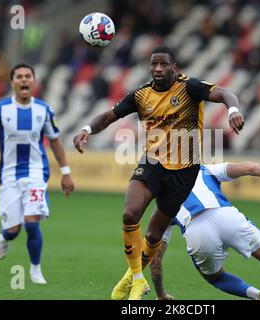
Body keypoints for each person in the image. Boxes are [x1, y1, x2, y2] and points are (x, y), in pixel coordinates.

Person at [73, 46, 245, 300]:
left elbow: (226, 94)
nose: (157, 69)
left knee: (154, 235)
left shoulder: (190, 88)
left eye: (163, 64)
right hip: (152, 164)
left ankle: (131, 278)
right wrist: (87, 129)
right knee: (130, 213)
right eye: (154, 64)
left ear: (174, 68)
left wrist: (233, 110)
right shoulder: (141, 95)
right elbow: (110, 116)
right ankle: (139, 279)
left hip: (184, 171)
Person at [149, 161, 260, 300]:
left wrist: (161, 294)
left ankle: (257, 295)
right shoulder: (204, 169)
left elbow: (155, 260)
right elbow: (247, 167)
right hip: (224, 215)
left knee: (216, 278)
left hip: (197, 231)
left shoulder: (162, 205)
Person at [0, 63, 74, 284]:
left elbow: (55, 140)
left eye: (27, 76)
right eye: (19, 76)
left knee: (32, 223)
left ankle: (35, 269)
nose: (23, 80)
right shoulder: (0, 109)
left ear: (33, 81)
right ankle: (5, 236)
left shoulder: (44, 110)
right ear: (12, 82)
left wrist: (66, 172)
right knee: (14, 229)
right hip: (9, 177)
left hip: (36, 174)